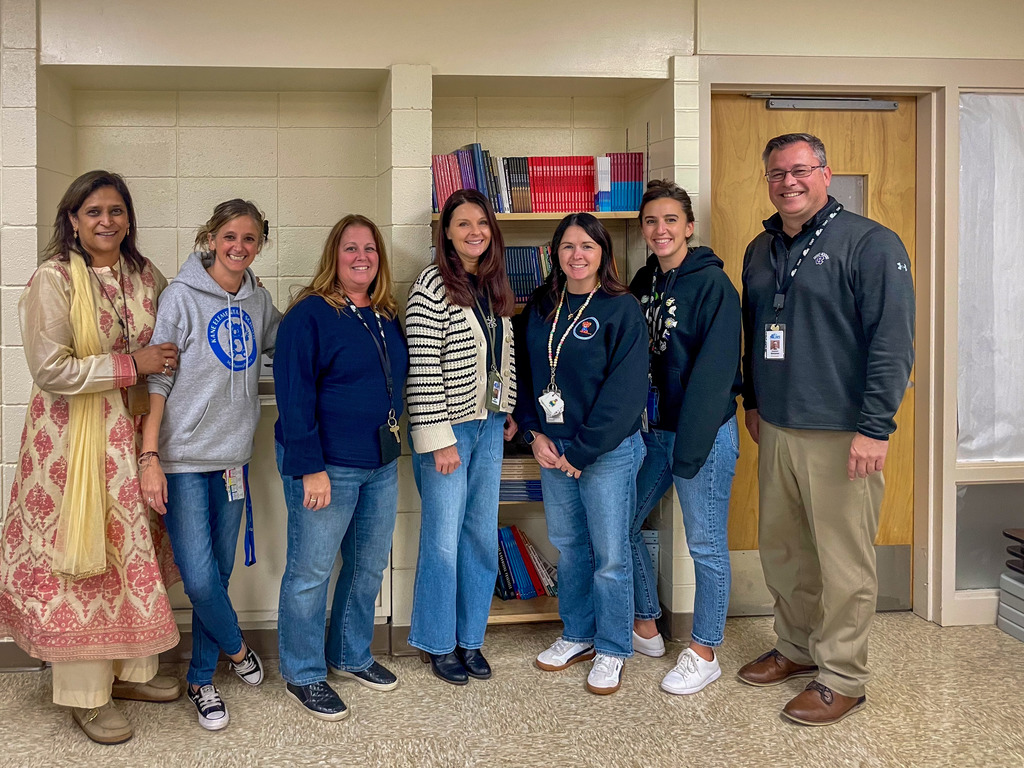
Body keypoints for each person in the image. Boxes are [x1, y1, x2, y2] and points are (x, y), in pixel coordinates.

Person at [737, 133, 915, 725]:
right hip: (779, 427)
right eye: (777, 174)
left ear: (825, 173)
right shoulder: (761, 250)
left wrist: (875, 428)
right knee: (785, 552)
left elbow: (892, 344)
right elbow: (756, 331)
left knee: (843, 561)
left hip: (843, 433)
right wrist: (756, 403)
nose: (788, 182)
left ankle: (843, 675)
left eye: (800, 170)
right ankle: (795, 647)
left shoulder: (869, 243)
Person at [0, 170, 182, 745]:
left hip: (129, 442)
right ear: (73, 220)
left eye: (117, 211)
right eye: (94, 211)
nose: (107, 221)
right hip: (70, 448)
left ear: (129, 218)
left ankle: (130, 673)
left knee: (129, 554)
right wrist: (134, 366)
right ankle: (84, 693)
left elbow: (174, 336)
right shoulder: (52, 279)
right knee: (84, 560)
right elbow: (50, 369)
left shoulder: (145, 275)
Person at [140, 199, 280, 731]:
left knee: (217, 575)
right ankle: (238, 647)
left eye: (249, 239)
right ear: (210, 238)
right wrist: (150, 456)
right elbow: (159, 379)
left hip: (233, 462)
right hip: (181, 460)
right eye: (229, 237)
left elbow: (282, 340)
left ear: (259, 244)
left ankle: (201, 681)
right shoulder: (180, 297)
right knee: (199, 577)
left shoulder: (258, 300)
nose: (239, 247)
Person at [274, 215, 408, 721]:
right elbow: (294, 395)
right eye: (351, 248)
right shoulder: (309, 314)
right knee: (310, 571)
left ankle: (350, 654)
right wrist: (310, 467)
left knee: (368, 565)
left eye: (370, 249)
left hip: (381, 463)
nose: (361, 257)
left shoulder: (385, 313)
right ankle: (304, 673)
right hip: (326, 465)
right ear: (334, 254)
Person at [516, 213, 648, 695]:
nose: (577, 255)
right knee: (570, 548)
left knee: (610, 555)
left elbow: (626, 391)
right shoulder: (542, 306)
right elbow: (528, 377)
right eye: (568, 246)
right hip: (554, 451)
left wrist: (585, 450)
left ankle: (613, 647)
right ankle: (577, 634)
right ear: (555, 252)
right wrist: (533, 433)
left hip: (606, 452)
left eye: (587, 247)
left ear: (603, 254)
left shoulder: (621, 307)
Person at [628, 180, 743, 695]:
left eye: (671, 220)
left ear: (689, 227)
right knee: (624, 523)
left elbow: (715, 374)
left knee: (705, 545)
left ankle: (704, 649)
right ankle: (648, 625)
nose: (661, 229)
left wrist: (692, 452)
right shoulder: (644, 280)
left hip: (704, 435)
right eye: (651, 221)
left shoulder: (713, 286)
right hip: (657, 435)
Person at [406, 188, 517, 685]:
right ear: (446, 234)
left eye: (482, 223)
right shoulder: (432, 285)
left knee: (477, 537)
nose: (475, 231)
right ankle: (437, 641)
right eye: (463, 224)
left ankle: (471, 638)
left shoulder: (493, 286)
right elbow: (423, 367)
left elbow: (499, 354)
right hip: (447, 430)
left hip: (489, 425)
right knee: (444, 543)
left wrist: (506, 406)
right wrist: (439, 437)